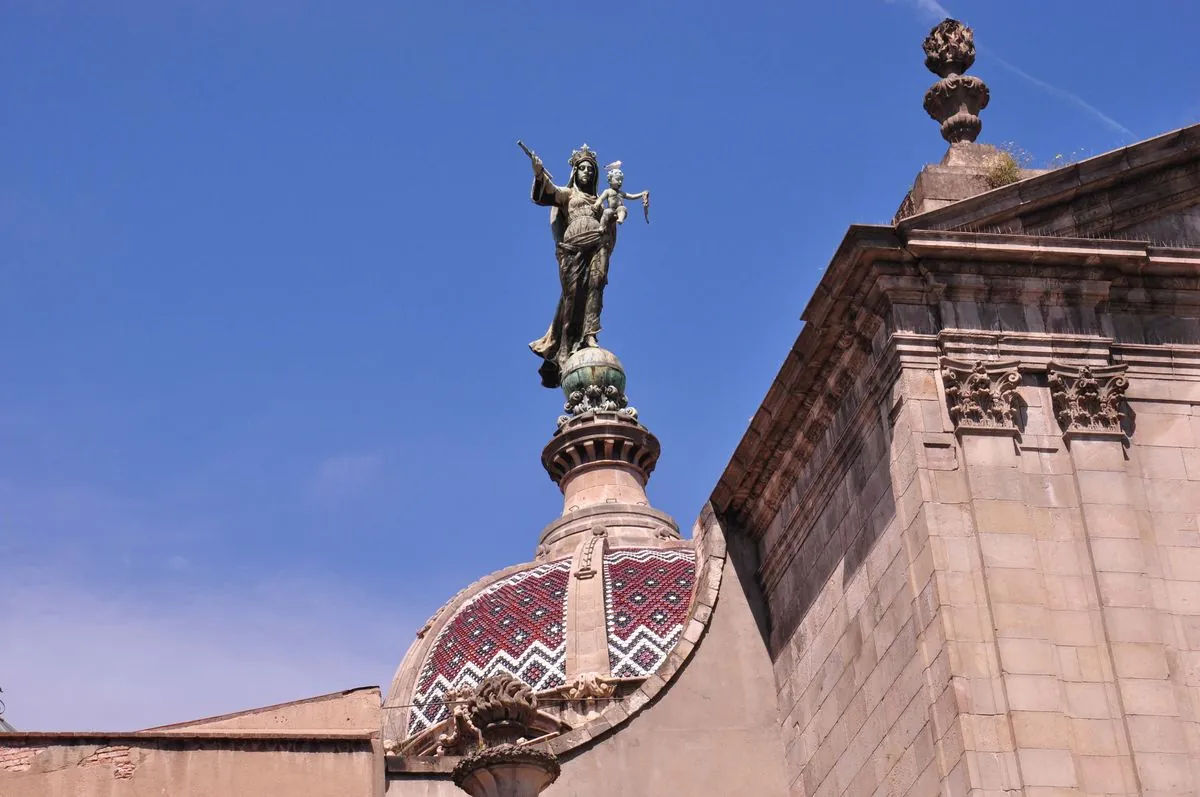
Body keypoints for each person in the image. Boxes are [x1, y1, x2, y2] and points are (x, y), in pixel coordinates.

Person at [525, 144, 614, 388]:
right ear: (575, 172)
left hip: (597, 245)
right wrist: (538, 172)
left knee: (595, 286)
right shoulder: (569, 195)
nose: (586, 172)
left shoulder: (599, 200)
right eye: (582, 169)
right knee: (572, 296)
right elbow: (548, 192)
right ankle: (563, 348)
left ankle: (591, 334)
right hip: (572, 248)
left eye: (590, 170)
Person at [595, 161, 650, 231]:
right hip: (610, 209)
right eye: (617, 179)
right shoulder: (607, 191)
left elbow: (632, 196)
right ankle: (601, 226)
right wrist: (597, 204)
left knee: (623, 208)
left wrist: (641, 194)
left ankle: (620, 219)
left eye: (621, 180)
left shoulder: (621, 193)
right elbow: (601, 198)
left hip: (619, 208)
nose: (620, 182)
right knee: (606, 212)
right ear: (610, 180)